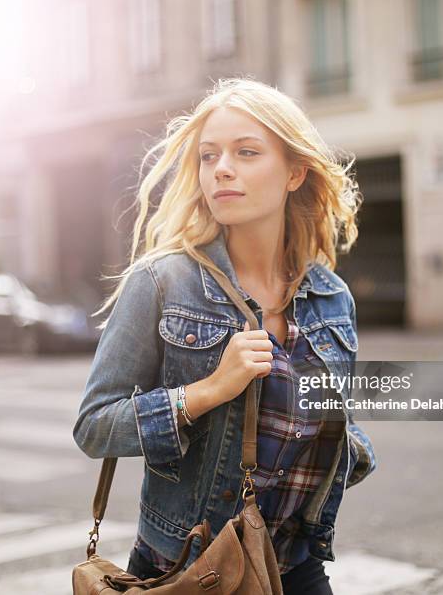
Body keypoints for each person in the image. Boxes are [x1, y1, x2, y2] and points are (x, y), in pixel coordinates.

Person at [73, 77, 377, 595]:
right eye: (209, 156)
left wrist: (348, 447)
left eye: (246, 152)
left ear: (295, 172)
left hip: (295, 566)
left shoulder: (331, 296)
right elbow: (95, 426)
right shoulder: (161, 281)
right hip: (191, 565)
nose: (222, 169)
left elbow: (323, 418)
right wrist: (209, 391)